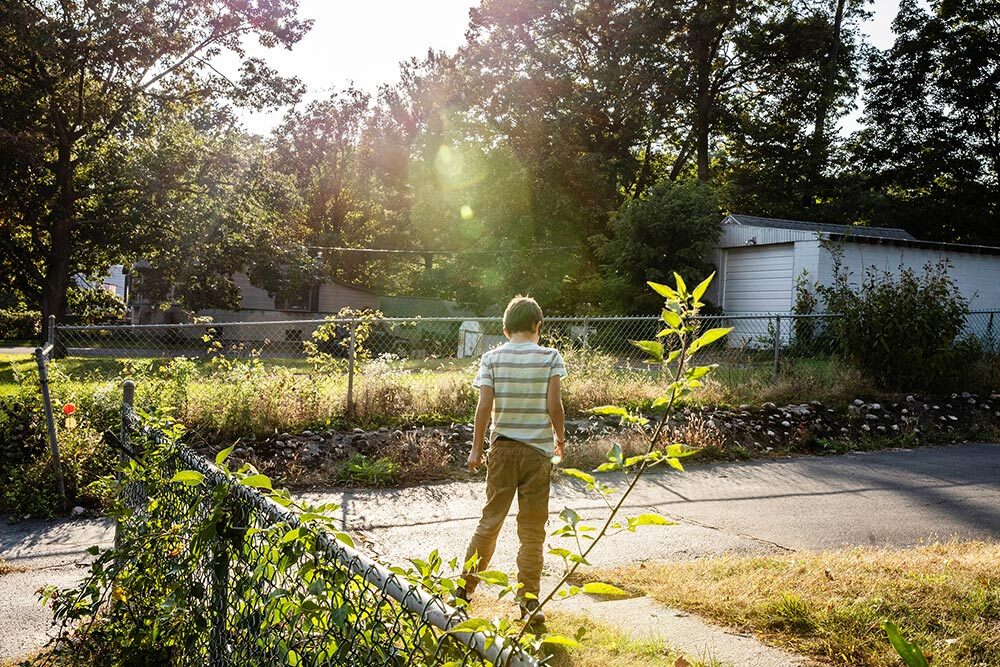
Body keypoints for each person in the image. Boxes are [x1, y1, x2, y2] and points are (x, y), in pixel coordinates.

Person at [456, 295, 567, 624]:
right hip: (537, 454)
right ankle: (530, 603)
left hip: (502, 450)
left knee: (490, 522)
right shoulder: (550, 357)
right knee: (532, 530)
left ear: (505, 329)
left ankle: (464, 590)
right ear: (538, 327)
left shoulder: (491, 358)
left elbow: (484, 408)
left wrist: (477, 448)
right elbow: (555, 406)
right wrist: (559, 439)